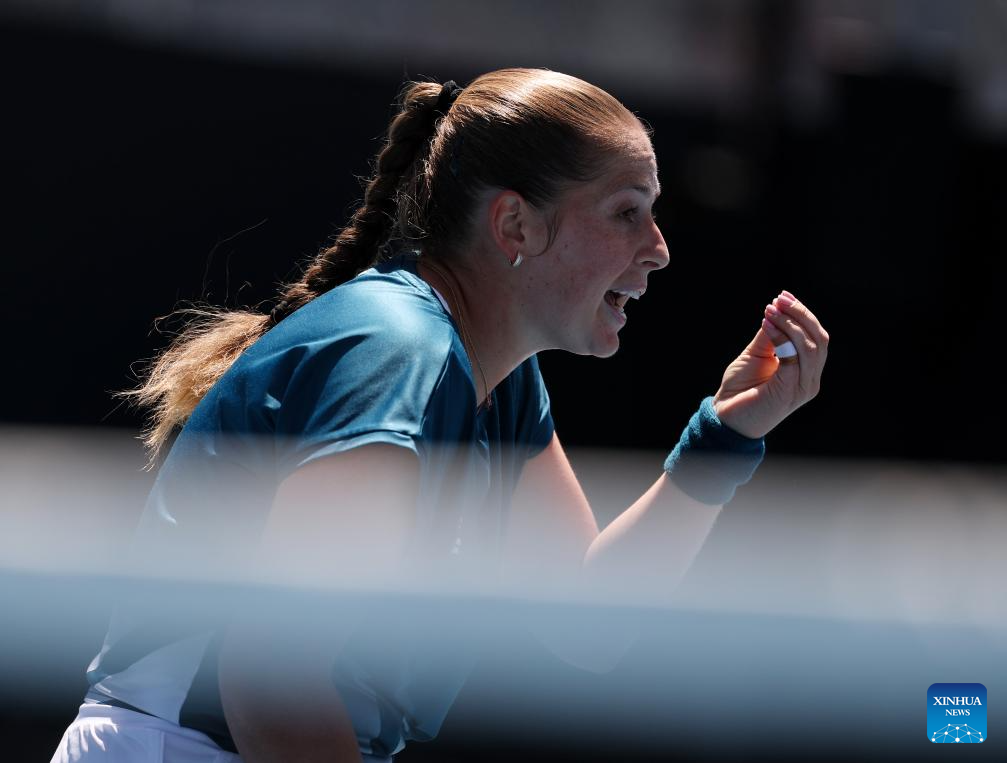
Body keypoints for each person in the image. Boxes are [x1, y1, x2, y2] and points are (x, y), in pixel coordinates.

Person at [51, 68, 828, 763]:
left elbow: (587, 626)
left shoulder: (502, 384)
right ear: (515, 225)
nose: (657, 248)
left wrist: (724, 435)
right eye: (626, 212)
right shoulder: (397, 352)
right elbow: (274, 682)